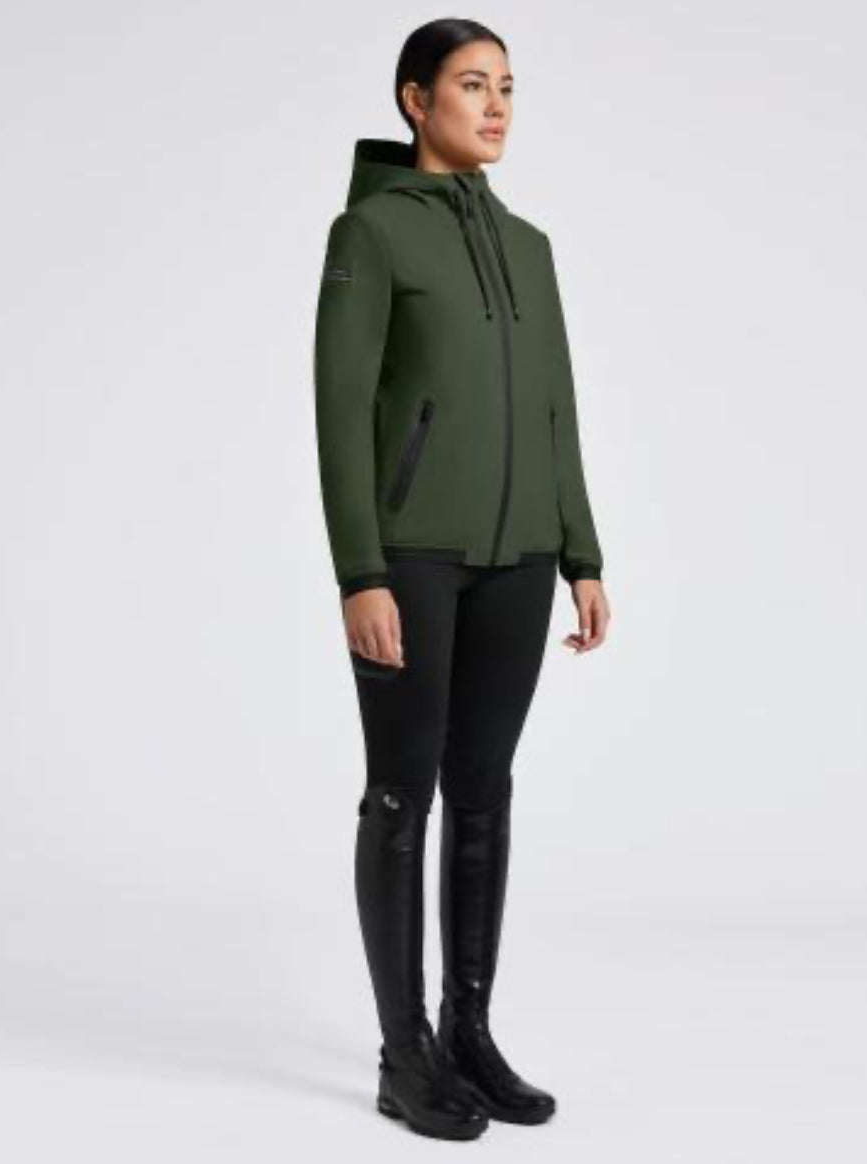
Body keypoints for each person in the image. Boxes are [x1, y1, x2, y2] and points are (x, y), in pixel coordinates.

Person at [313, 18, 611, 1141]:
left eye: (508, 88)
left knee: (485, 788)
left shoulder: (531, 246)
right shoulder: (371, 233)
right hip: (413, 557)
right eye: (473, 85)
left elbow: (558, 408)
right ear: (415, 99)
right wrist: (361, 571)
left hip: (520, 556)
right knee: (403, 792)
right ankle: (405, 1057)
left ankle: (468, 1034)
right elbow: (341, 409)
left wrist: (581, 551)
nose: (495, 107)